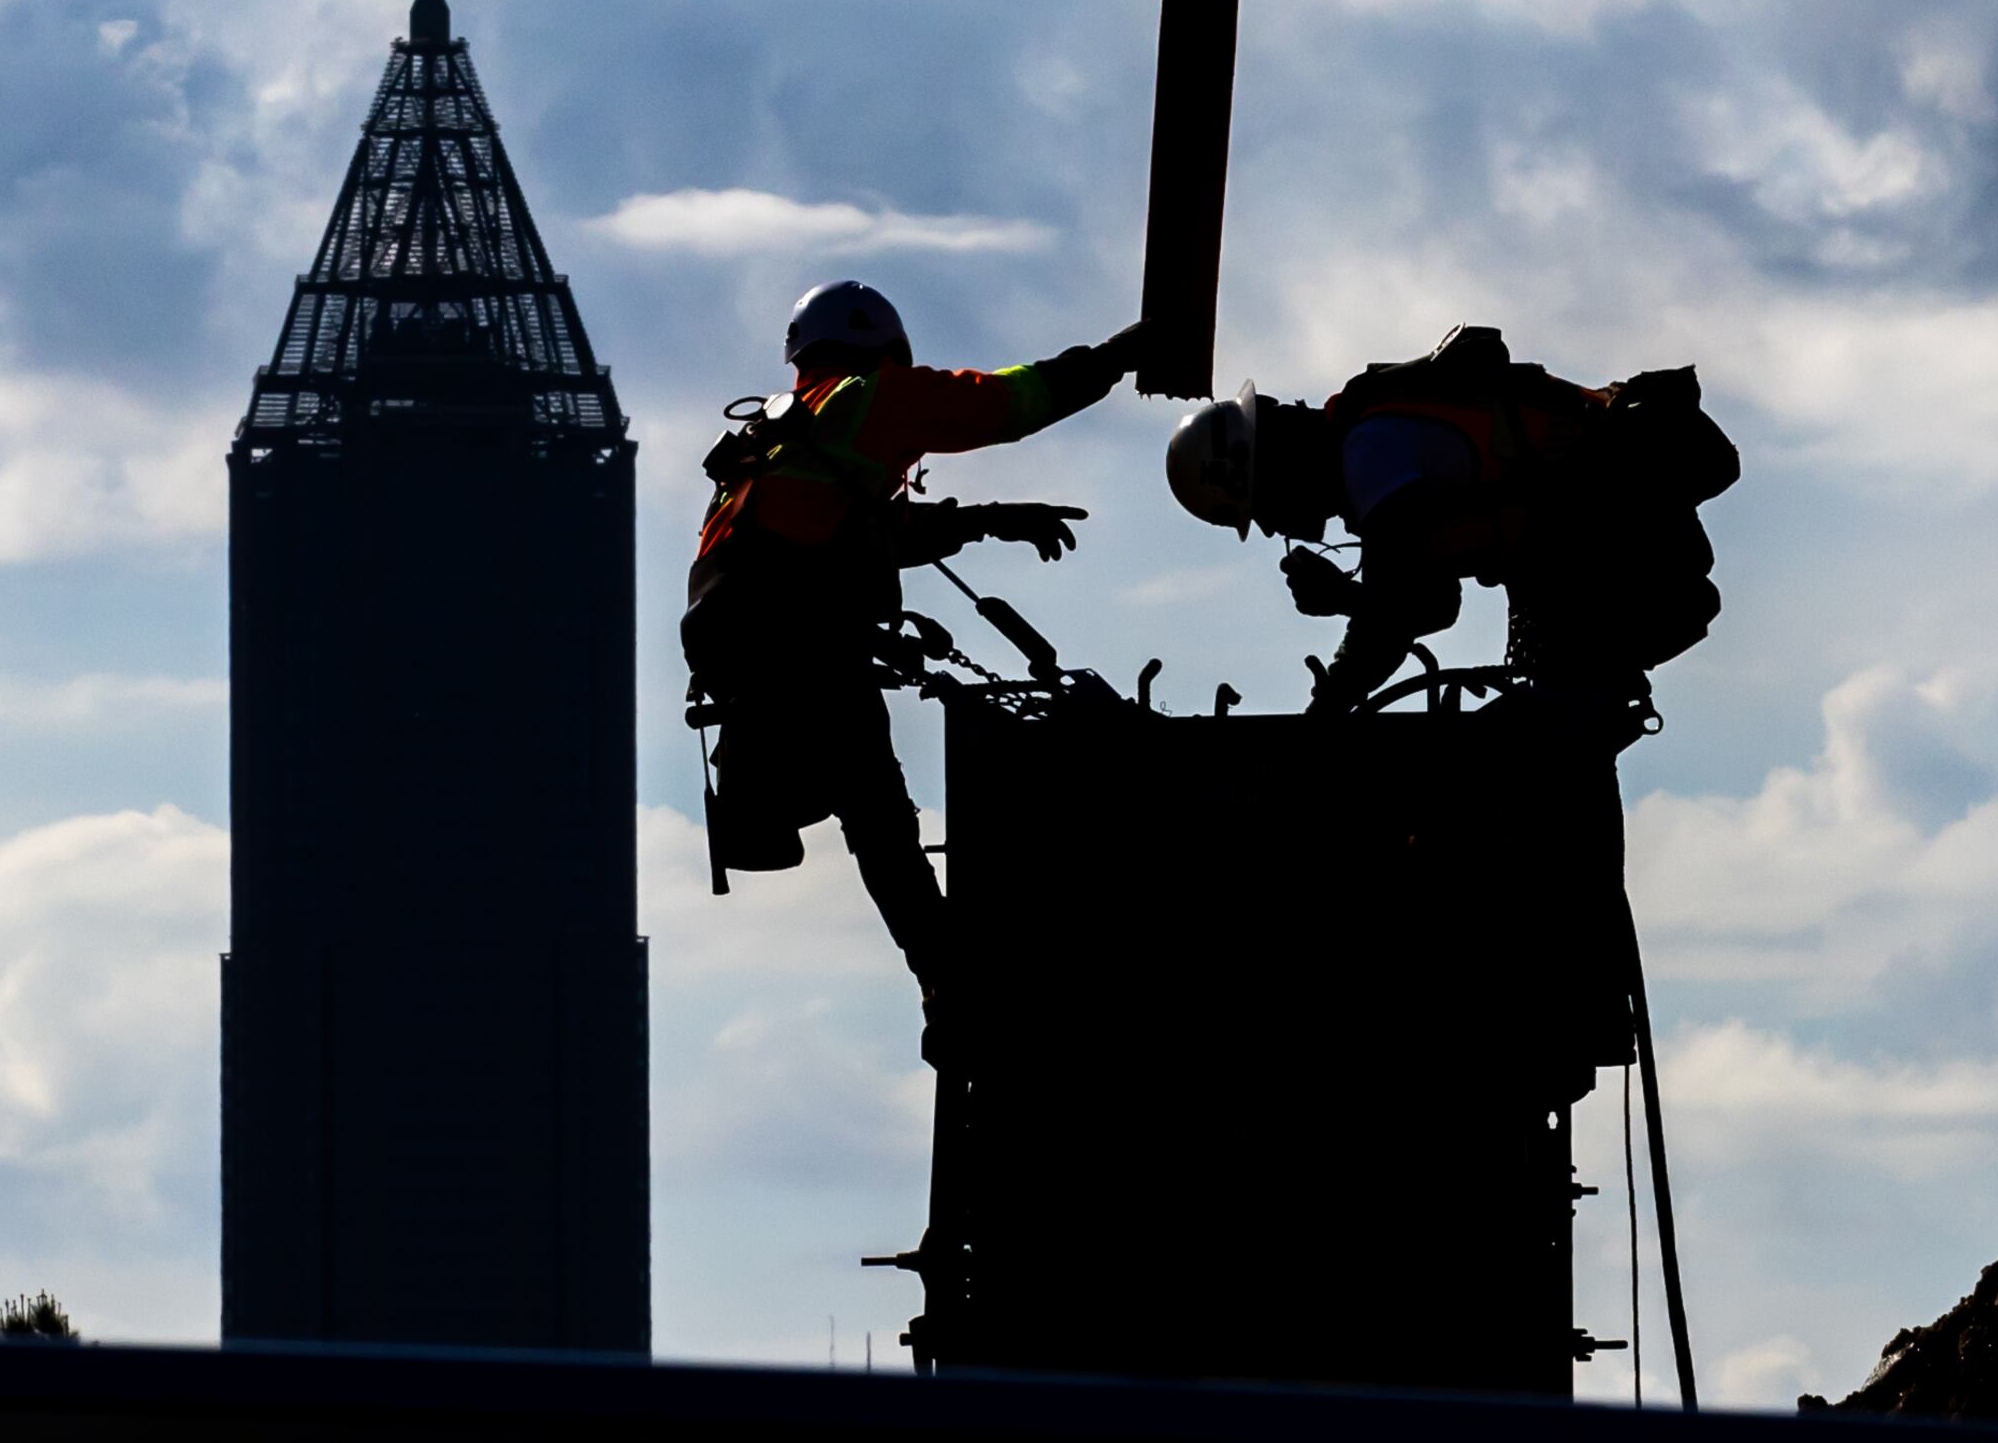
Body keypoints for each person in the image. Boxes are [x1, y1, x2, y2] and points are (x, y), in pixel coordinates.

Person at [683, 280, 1143, 1022]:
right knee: (879, 815)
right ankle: (956, 988)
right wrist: (1115, 359)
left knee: (868, 810)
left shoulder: (781, 437)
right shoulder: (871, 396)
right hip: (793, 634)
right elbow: (1003, 403)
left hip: (737, 645)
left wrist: (993, 520)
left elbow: (863, 534)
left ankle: (948, 979)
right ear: (883, 347)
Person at [1160, 326, 1736, 718]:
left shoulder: (1371, 456)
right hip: (1586, 565)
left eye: (1261, 511)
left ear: (1273, 470)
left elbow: (1421, 606)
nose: (1271, 527)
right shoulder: (1373, 444)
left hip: (1607, 555)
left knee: (1534, 753)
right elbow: (1405, 605)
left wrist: (1341, 604)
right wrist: (1329, 703)